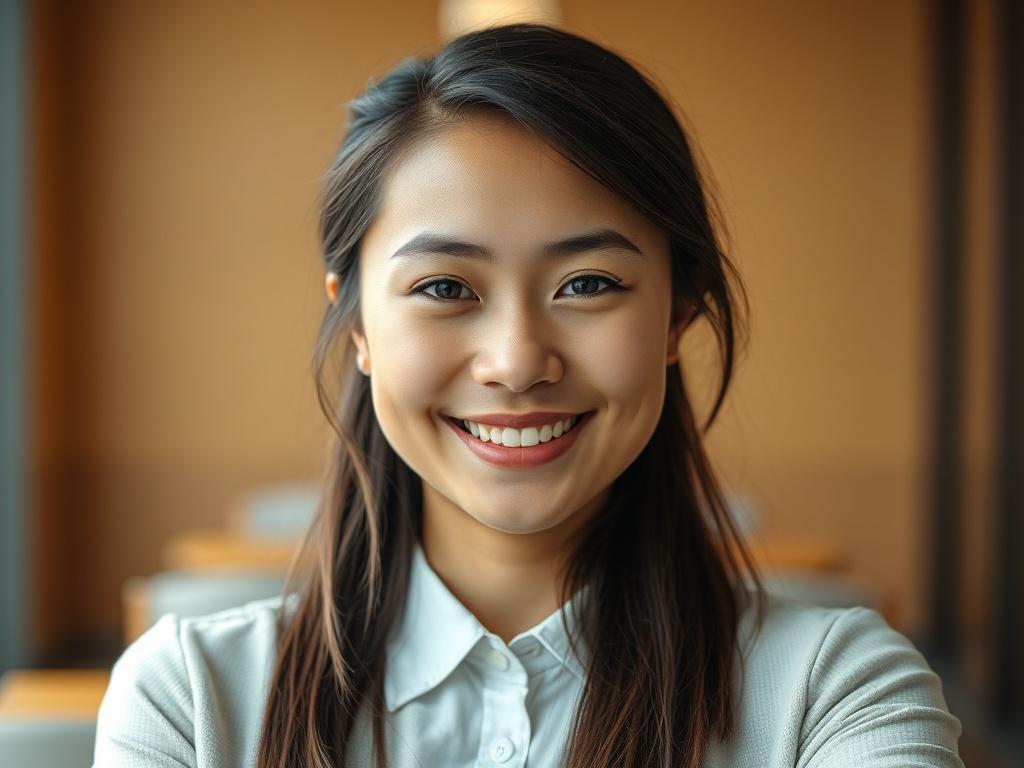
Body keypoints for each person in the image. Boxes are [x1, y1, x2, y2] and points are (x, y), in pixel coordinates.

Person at [92, 22, 964, 768]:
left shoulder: (838, 692)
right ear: (356, 325)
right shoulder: (193, 701)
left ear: (676, 317)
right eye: (444, 288)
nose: (516, 361)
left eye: (587, 284)